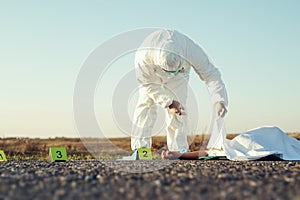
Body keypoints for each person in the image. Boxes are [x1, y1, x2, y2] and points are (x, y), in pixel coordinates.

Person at [131, 29, 228, 157]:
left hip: (180, 75)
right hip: (152, 76)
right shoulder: (143, 56)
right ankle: (142, 150)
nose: (170, 75)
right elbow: (147, 84)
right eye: (169, 72)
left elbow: (211, 74)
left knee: (179, 110)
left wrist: (218, 99)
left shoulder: (191, 50)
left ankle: (178, 150)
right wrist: (168, 102)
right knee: (146, 105)